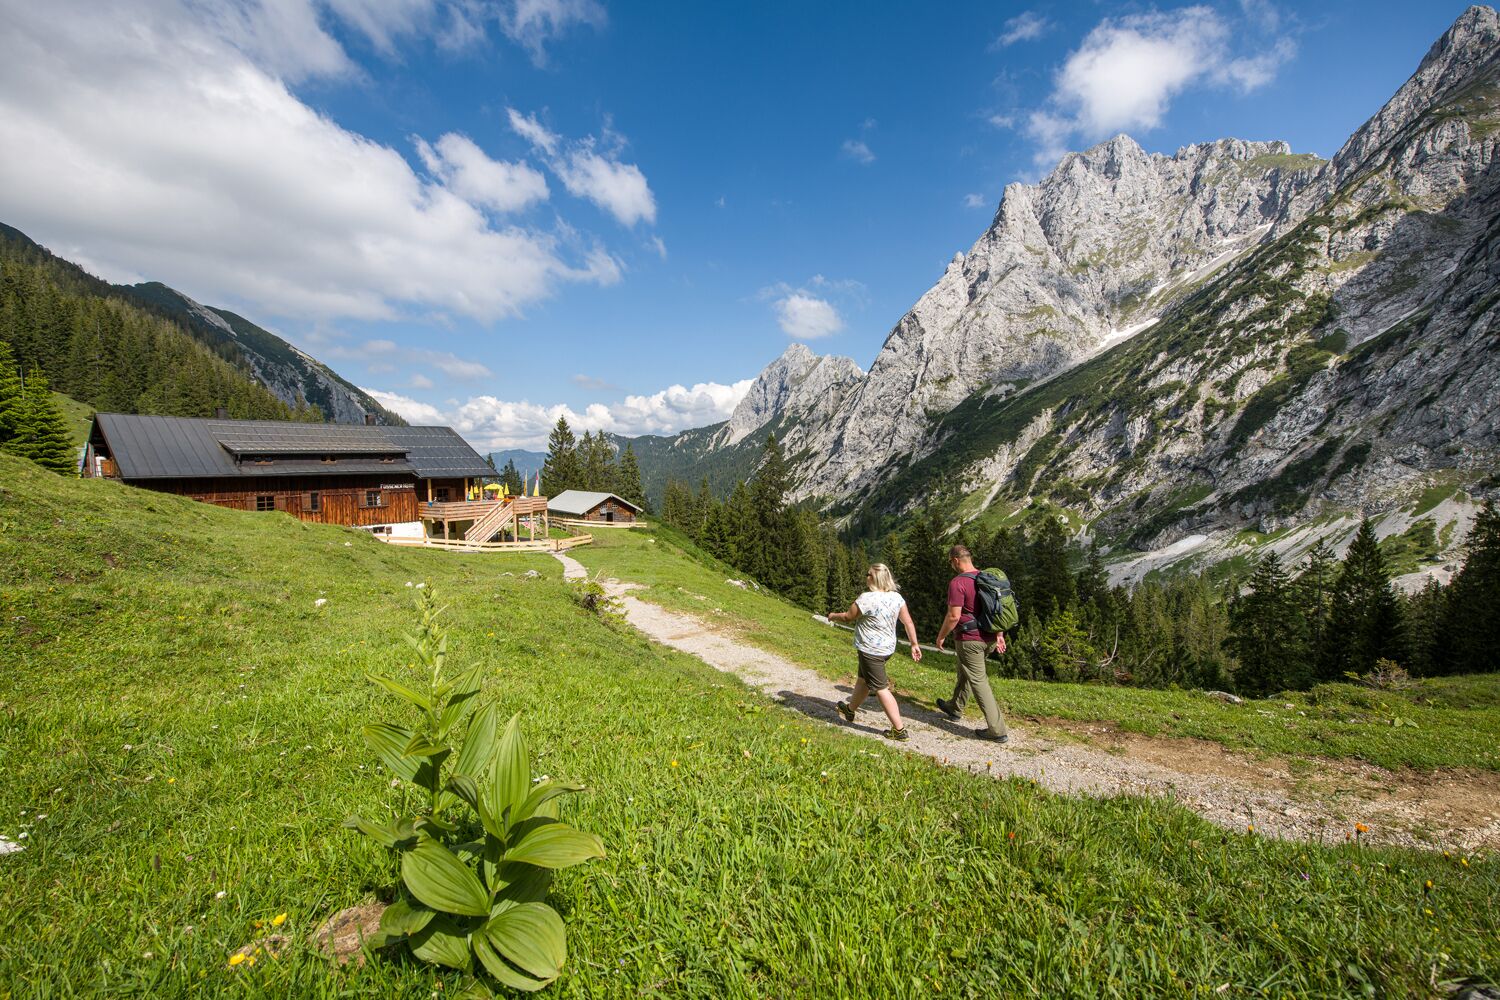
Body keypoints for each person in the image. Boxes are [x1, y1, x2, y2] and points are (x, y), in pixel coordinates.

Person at [829, 563, 922, 741]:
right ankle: (850, 710)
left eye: (868, 574)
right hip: (887, 649)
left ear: (874, 578)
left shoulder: (866, 598)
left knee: (881, 688)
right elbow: (908, 622)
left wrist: (833, 615)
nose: (866, 576)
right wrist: (914, 644)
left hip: (871, 650)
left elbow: (848, 617)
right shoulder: (896, 598)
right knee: (864, 680)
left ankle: (899, 730)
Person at [934, 544, 1009, 742]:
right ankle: (955, 707)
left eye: (951, 562)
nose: (951, 565)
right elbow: (997, 608)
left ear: (956, 560)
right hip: (990, 637)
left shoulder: (957, 583)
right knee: (966, 670)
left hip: (970, 639)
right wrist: (999, 634)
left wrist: (941, 636)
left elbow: (953, 616)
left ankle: (997, 729)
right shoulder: (986, 578)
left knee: (978, 680)